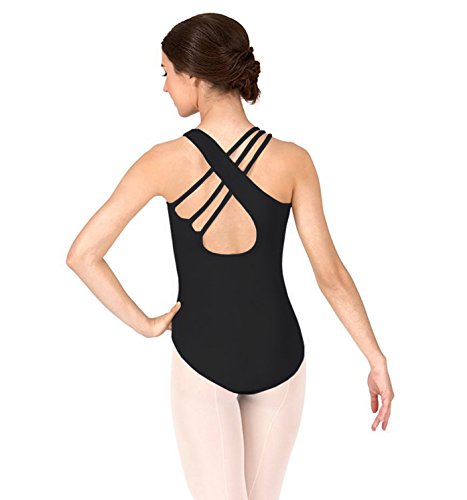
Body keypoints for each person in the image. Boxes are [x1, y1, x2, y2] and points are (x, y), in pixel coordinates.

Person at [66, 12, 395, 500]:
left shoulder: (164, 161)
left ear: (194, 77)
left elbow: (83, 254)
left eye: (166, 72)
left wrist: (148, 325)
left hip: (203, 356)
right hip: (280, 356)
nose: (164, 86)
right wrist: (376, 358)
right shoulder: (293, 160)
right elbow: (331, 275)